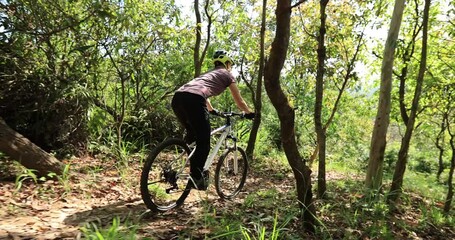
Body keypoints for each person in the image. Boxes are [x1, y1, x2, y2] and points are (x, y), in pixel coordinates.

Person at [171, 50, 255, 190]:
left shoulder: (207, 74)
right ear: (227, 63)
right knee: (204, 141)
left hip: (178, 98)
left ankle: (183, 171)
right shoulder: (227, 75)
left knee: (193, 137)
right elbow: (239, 101)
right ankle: (197, 177)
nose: (230, 67)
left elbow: (201, 92)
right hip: (194, 100)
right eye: (230, 65)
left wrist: (211, 110)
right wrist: (249, 112)